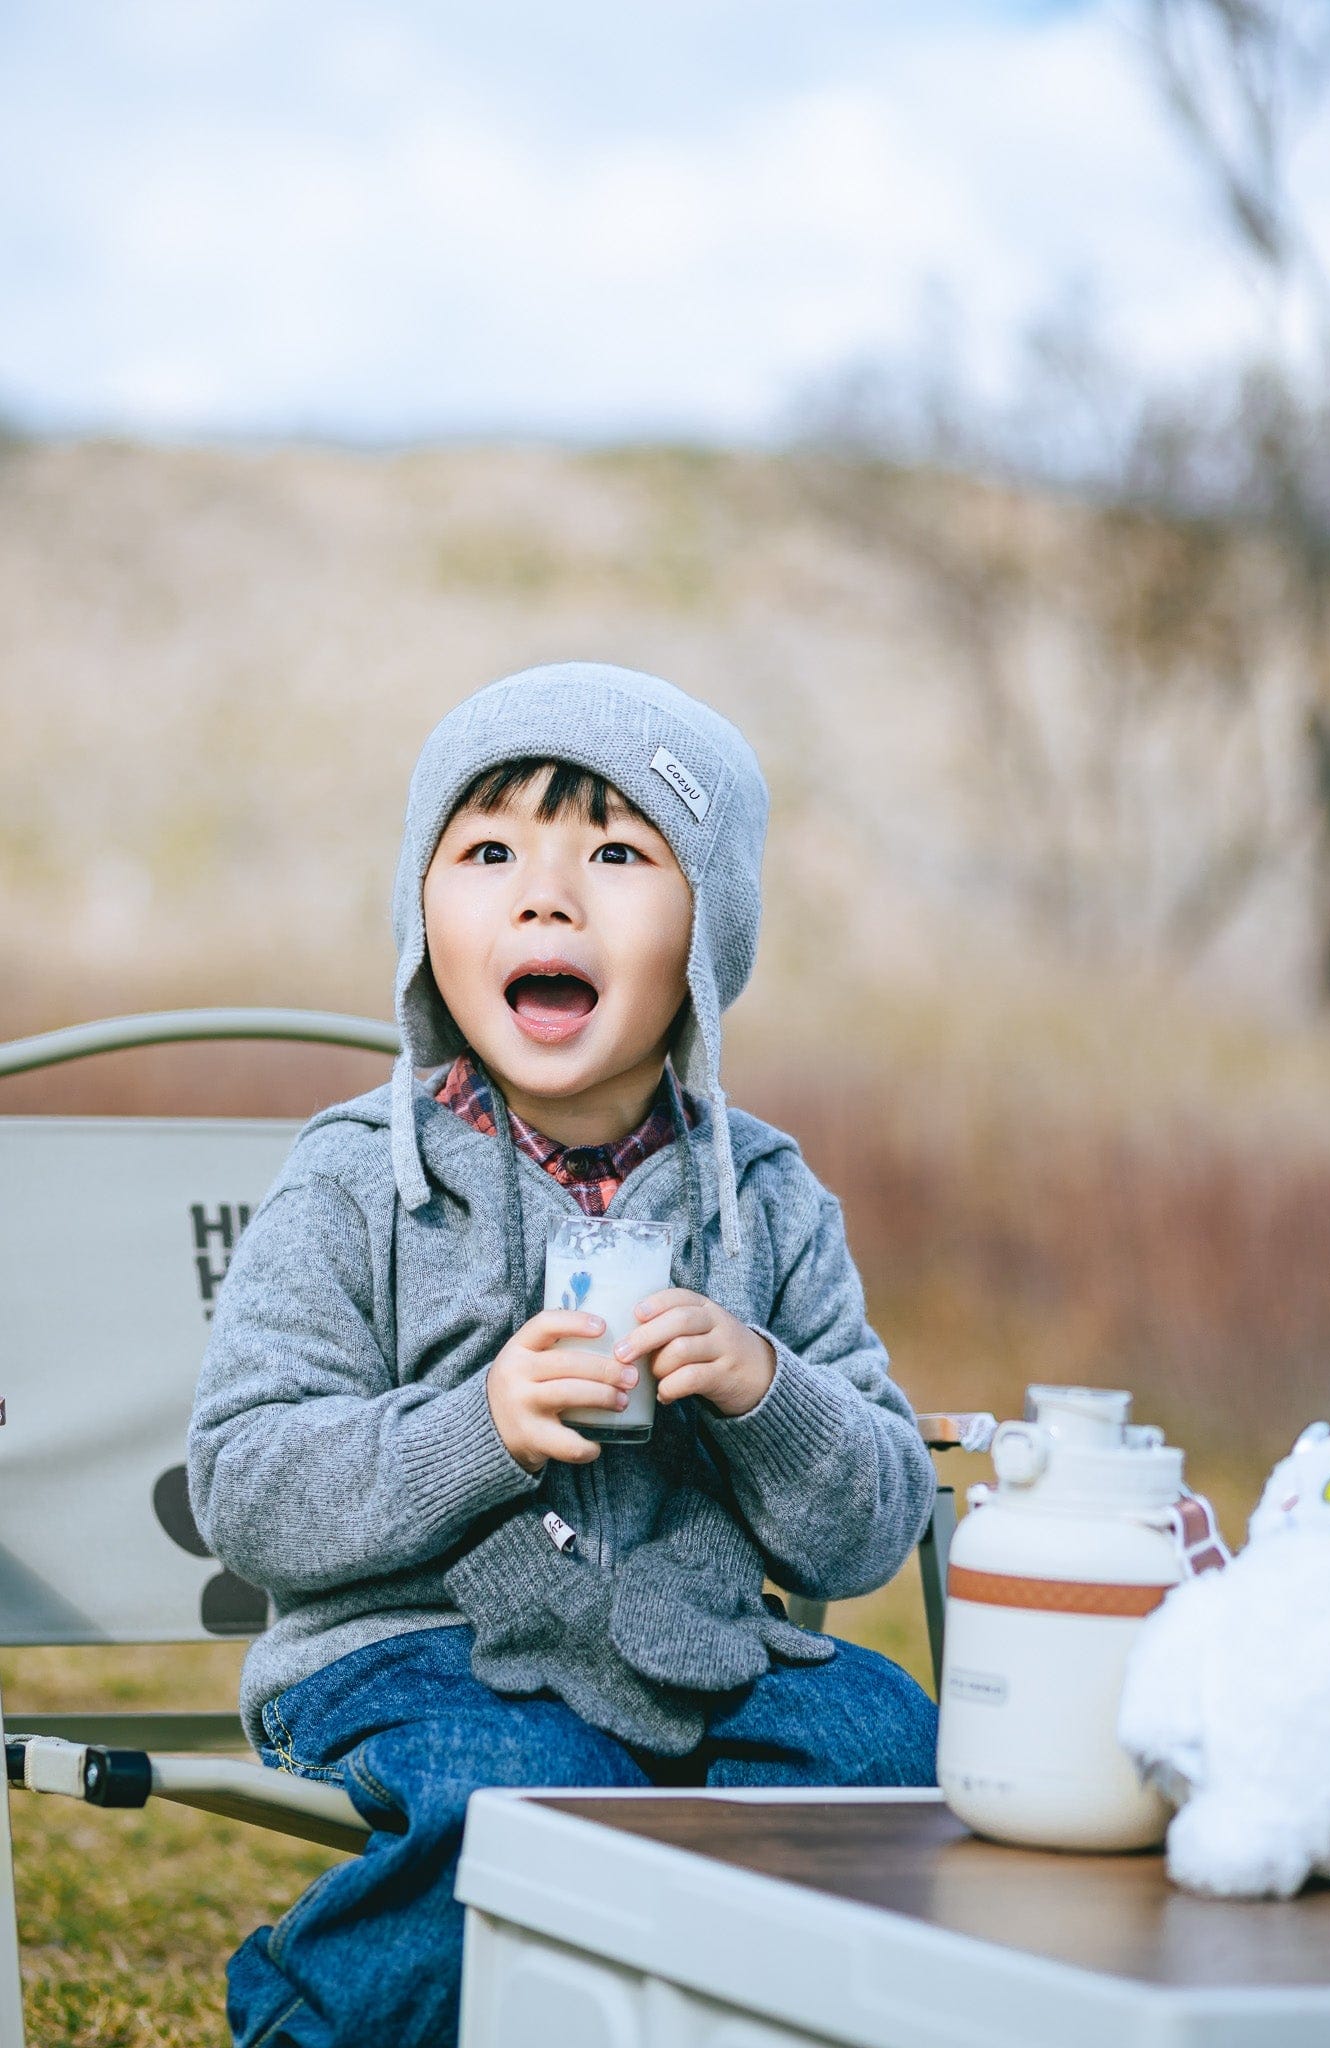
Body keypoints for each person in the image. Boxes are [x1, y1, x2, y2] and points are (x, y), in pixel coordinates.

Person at [189, 661, 940, 2048]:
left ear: (706, 932)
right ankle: (311, 2024)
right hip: (413, 1656)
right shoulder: (360, 1183)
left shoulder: (763, 1199)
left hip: (697, 1658)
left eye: (613, 850)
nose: (546, 896)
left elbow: (872, 1521)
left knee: (883, 1745)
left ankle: (718, 2018)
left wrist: (766, 1392)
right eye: (486, 852)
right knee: (521, 1788)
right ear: (422, 914)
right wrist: (478, 1423)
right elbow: (246, 1479)